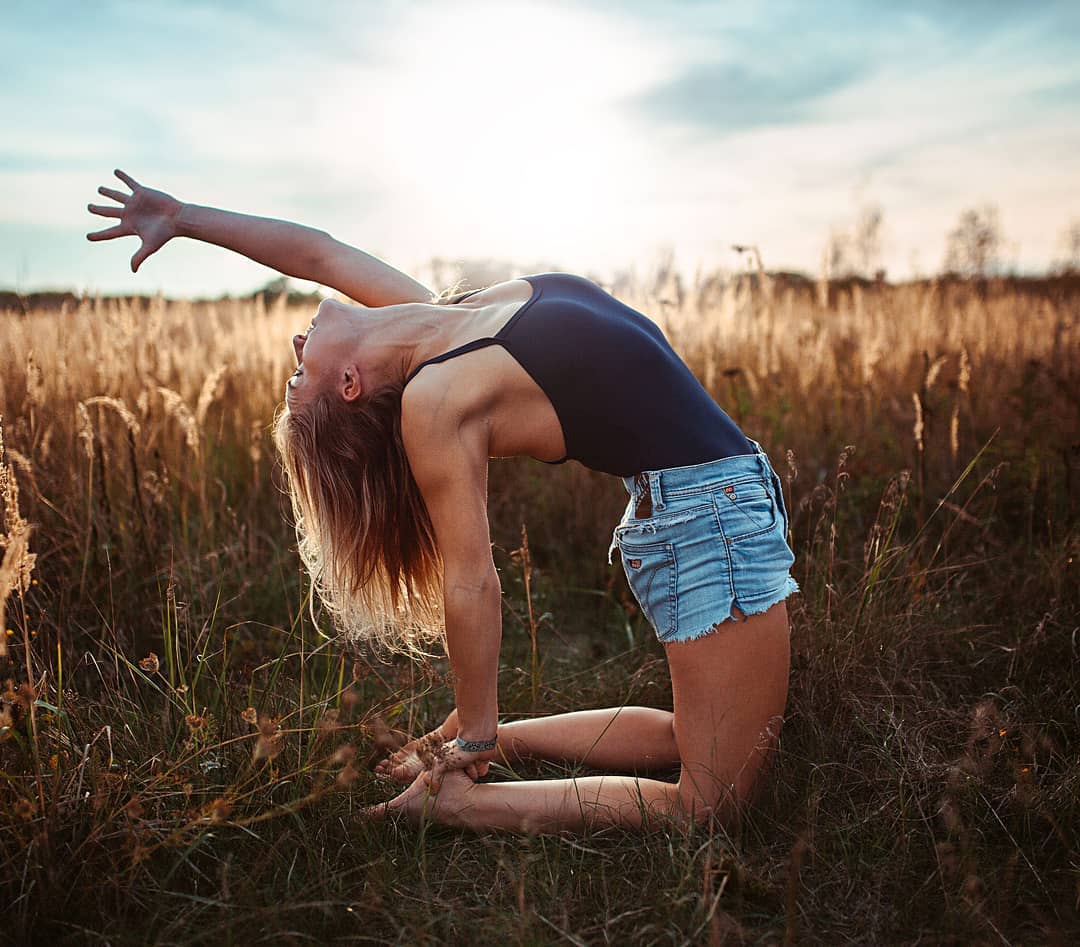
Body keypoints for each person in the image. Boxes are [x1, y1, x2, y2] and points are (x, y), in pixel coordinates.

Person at [88, 169, 799, 834]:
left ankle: (494, 748)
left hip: (711, 506)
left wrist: (183, 218)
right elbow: (470, 577)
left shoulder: (443, 320)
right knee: (712, 805)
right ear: (346, 387)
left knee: (693, 733)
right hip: (709, 519)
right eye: (296, 374)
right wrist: (474, 732)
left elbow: (317, 252)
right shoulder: (434, 397)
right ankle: (460, 801)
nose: (296, 343)